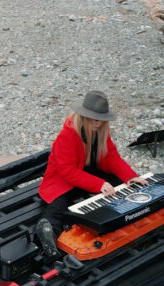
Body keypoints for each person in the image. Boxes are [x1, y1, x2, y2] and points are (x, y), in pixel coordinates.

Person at [36, 90, 148, 256]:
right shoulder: (66, 136)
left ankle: (132, 218)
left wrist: (130, 176)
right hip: (64, 179)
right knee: (58, 207)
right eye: (96, 120)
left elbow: (111, 157)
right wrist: (99, 184)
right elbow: (67, 171)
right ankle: (48, 236)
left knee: (122, 184)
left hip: (88, 172)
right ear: (84, 117)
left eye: (102, 120)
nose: (99, 124)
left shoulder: (100, 131)